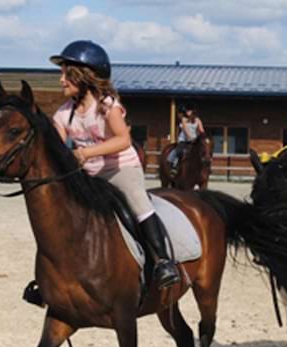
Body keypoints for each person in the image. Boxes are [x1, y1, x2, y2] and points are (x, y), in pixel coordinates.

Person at [50, 40, 181, 291]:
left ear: (83, 75)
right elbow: (55, 144)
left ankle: (164, 262)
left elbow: (123, 140)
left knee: (137, 202)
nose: (61, 80)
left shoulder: (107, 105)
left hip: (120, 169)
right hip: (88, 173)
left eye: (66, 73)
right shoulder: (63, 113)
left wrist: (85, 152)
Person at [167, 103, 205, 173]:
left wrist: (202, 136)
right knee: (179, 151)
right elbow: (185, 129)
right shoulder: (184, 119)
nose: (187, 112)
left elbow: (201, 130)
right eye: (186, 111)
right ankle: (174, 166)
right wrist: (190, 137)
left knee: (202, 151)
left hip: (195, 140)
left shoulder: (197, 120)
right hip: (184, 140)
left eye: (189, 110)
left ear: (193, 111)